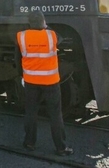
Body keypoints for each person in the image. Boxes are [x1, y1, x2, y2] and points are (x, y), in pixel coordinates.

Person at [16, 10, 73, 156]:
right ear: (43, 22)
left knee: (31, 113)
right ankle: (61, 147)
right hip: (50, 82)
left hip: (31, 82)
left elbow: (17, 60)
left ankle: (29, 143)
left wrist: (23, 75)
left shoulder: (21, 37)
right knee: (55, 115)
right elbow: (59, 38)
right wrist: (45, 27)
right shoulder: (52, 35)